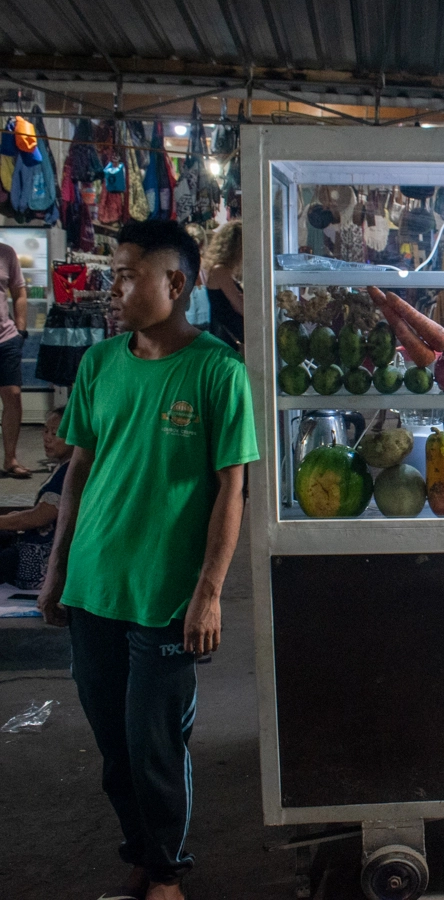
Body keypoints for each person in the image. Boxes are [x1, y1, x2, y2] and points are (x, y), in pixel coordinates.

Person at [37, 219, 258, 900]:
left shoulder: (218, 370)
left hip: (166, 596)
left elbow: (231, 488)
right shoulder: (101, 364)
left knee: (154, 747)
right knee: (113, 752)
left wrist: (211, 591)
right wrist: (56, 570)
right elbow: (78, 470)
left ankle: (166, 875)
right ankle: (141, 852)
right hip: (94, 584)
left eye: (130, 273)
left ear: (178, 284)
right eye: (116, 272)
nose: (115, 286)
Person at [0, 407, 71, 589]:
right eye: (45, 431)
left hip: (43, 560)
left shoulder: (71, 472)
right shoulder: (63, 467)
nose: (47, 438)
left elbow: (38, 517)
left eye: (55, 433)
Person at [0, 238, 30, 478]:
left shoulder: (6, 253)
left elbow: (19, 293)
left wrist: (20, 331)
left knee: (13, 395)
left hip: (6, 338)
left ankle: (10, 459)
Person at [204, 219, 243, 350]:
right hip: (228, 338)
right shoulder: (220, 271)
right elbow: (238, 305)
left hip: (227, 337)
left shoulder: (223, 271)